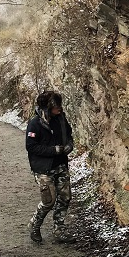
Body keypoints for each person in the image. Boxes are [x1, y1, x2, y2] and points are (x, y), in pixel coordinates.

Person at [26, 90, 74, 244]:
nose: (59, 109)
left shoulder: (61, 118)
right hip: (43, 168)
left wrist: (69, 145)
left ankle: (59, 229)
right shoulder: (35, 124)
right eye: (55, 106)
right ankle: (35, 224)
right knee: (49, 201)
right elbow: (31, 147)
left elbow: (69, 134)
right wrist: (53, 150)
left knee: (65, 197)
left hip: (61, 165)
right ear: (47, 107)